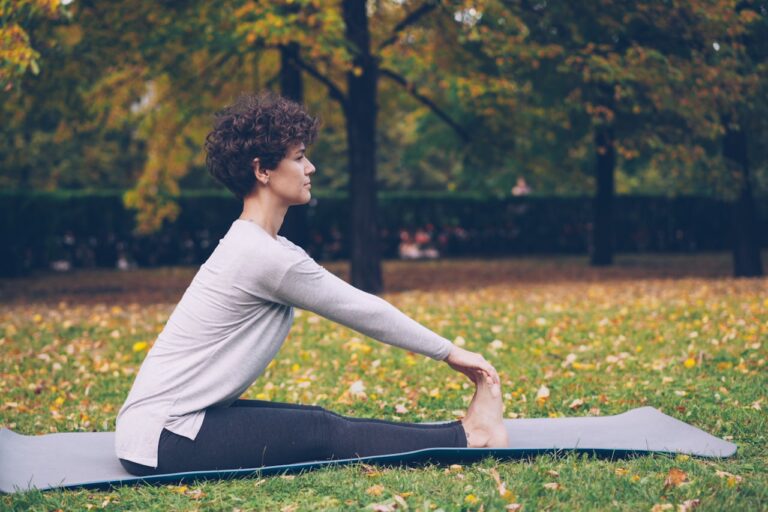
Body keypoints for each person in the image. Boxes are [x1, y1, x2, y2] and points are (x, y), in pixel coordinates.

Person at [114, 92, 508, 477]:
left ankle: (467, 431)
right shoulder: (261, 255)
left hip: (166, 427)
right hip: (164, 438)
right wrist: (451, 352)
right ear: (262, 170)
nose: (311, 168)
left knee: (315, 420)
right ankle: (470, 436)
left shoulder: (262, 246)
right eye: (299, 157)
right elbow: (362, 309)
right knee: (322, 431)